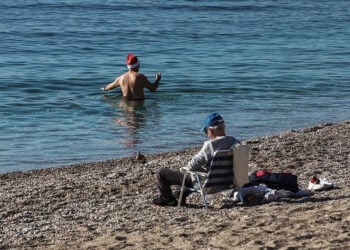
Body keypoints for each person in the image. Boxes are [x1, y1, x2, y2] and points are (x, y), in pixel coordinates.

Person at [153, 112, 240, 206]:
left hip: (206, 183)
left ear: (209, 130)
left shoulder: (210, 145)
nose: (207, 134)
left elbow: (191, 166)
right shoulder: (235, 142)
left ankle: (167, 198)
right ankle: (179, 196)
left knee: (161, 172)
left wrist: (187, 168)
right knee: (197, 172)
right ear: (223, 127)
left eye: (206, 131)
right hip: (227, 181)